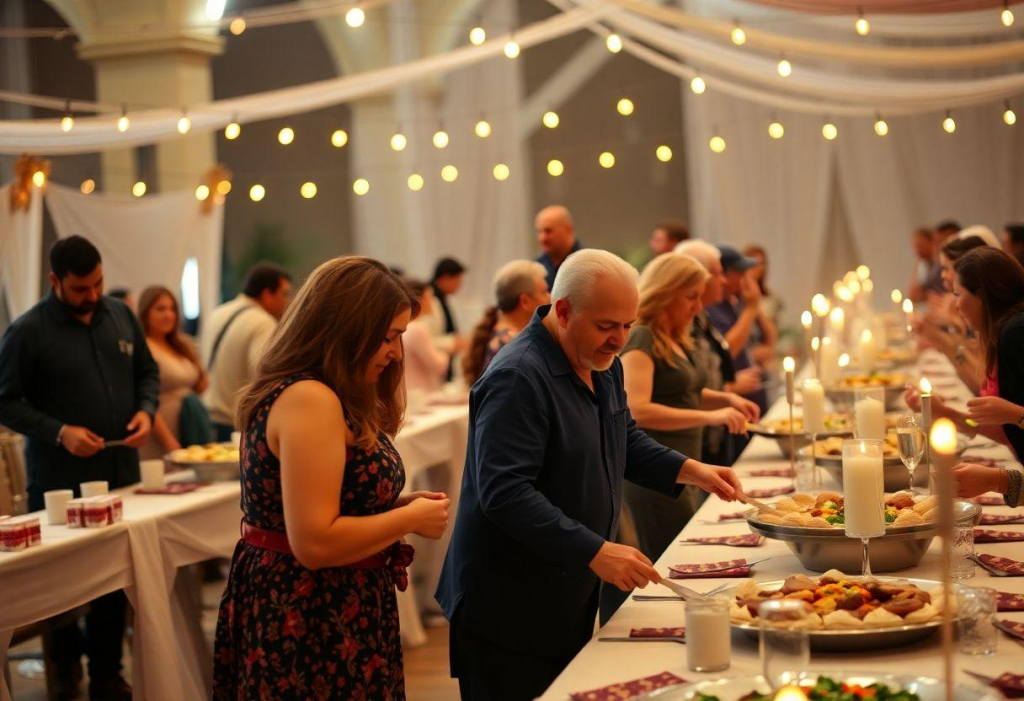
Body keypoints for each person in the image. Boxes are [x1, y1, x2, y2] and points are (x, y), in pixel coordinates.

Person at [435, 249, 743, 700]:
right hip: (508, 602)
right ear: (563, 311)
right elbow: (503, 492)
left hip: (563, 587)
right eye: (606, 326)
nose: (618, 340)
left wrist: (689, 469)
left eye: (627, 326)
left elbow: (623, 439)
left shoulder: (602, 360)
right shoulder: (518, 376)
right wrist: (594, 549)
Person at [214, 257, 450, 700]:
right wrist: (408, 520)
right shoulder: (310, 398)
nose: (396, 352)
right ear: (347, 331)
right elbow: (315, 542)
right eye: (388, 338)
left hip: (333, 605)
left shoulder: (319, 392)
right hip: (309, 615)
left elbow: (325, 504)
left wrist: (392, 508)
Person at [0, 235, 160, 701]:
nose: (91, 296)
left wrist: (147, 410)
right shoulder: (28, 332)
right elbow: (3, 401)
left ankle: (108, 673)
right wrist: (58, 431)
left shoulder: (120, 314)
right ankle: (65, 674)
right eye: (79, 289)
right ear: (54, 281)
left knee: (115, 576)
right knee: (63, 584)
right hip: (59, 482)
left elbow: (147, 373)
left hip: (120, 470)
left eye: (97, 284)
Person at [620, 252, 760, 564]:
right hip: (656, 470)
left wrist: (725, 398)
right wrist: (712, 415)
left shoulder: (672, 335)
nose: (698, 307)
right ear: (666, 293)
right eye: (691, 297)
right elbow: (638, 409)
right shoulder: (642, 336)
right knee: (674, 562)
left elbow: (683, 392)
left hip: (684, 464)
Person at [905, 248, 1024, 493]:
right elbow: (1010, 434)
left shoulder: (1016, 333)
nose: (956, 305)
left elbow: (1015, 421)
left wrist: (1001, 480)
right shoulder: (1005, 333)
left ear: (981, 294)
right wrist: (946, 413)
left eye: (958, 294)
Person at [677, 240, 761, 466]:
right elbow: (678, 392)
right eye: (718, 273)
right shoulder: (678, 326)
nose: (723, 280)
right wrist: (730, 389)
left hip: (712, 431)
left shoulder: (702, 316)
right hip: (691, 442)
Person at [202, 263, 292, 441]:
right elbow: (262, 372)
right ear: (267, 294)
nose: (288, 301)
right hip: (236, 421)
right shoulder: (262, 322)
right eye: (284, 293)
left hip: (209, 415)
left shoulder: (217, 313)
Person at [137, 286, 210, 458]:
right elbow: (144, 399)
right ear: (145, 312)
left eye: (172, 309)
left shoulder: (180, 344)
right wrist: (168, 440)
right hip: (161, 432)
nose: (168, 315)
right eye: (161, 309)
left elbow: (201, 384)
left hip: (189, 424)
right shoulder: (144, 347)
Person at [706, 245, 776, 416]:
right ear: (727, 276)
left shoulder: (734, 302)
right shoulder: (711, 309)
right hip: (733, 402)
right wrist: (751, 308)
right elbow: (726, 351)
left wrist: (754, 304)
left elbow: (771, 337)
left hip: (751, 395)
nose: (748, 278)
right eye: (742, 273)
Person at [462, 260, 550, 386]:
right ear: (525, 301)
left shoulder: (500, 335)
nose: (550, 297)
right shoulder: (513, 344)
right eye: (544, 292)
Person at [402, 281, 459, 393]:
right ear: (420, 300)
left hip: (412, 390)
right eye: (430, 297)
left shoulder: (410, 326)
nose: (433, 302)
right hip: (421, 392)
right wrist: (448, 349)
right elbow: (438, 365)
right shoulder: (417, 329)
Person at [429, 257, 468, 380]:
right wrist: (452, 342)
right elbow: (426, 337)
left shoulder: (444, 298)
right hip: (433, 367)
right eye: (458, 281)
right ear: (445, 277)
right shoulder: (430, 300)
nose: (460, 286)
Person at [535, 205, 582, 290]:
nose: (542, 238)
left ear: (568, 229)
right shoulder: (535, 270)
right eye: (539, 232)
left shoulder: (588, 265)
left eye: (548, 231)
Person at [743, 244, 783, 327]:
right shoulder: (737, 296)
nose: (759, 267)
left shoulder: (772, 298)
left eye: (762, 263)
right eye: (754, 263)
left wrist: (754, 306)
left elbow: (773, 332)